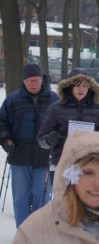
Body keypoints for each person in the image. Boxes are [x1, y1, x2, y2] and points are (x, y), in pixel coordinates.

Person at [0, 63, 59, 227]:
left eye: (37, 80)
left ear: (42, 80)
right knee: (20, 197)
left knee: (41, 196)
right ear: (24, 81)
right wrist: (6, 141)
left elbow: (61, 123)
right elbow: (2, 123)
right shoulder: (13, 99)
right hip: (18, 155)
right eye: (30, 81)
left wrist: (56, 138)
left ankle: (38, 231)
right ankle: (24, 232)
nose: (34, 84)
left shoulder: (54, 100)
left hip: (44, 156)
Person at [37, 68, 99, 183]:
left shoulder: (98, 110)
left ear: (90, 88)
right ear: (70, 86)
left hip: (88, 167)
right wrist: (49, 139)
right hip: (61, 164)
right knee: (61, 201)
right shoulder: (56, 108)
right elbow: (41, 138)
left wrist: (97, 145)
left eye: (85, 85)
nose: (81, 89)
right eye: (77, 85)